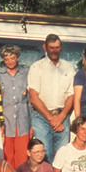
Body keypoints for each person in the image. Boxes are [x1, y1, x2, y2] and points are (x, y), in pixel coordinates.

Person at [27, 34, 75, 162]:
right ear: (45, 47)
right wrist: (51, 119)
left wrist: (61, 117)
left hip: (62, 118)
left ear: (61, 48)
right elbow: (33, 97)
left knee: (61, 157)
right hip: (42, 118)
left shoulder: (68, 67)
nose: (54, 50)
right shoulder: (36, 67)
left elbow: (72, 95)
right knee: (43, 156)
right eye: (51, 47)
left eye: (57, 47)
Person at [0, 45, 33, 168]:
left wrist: (31, 126)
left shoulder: (26, 73)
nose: (9, 62)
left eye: (12, 58)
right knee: (7, 157)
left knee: (22, 157)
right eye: (6, 59)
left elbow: (30, 102)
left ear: (17, 57)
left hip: (23, 123)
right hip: (6, 124)